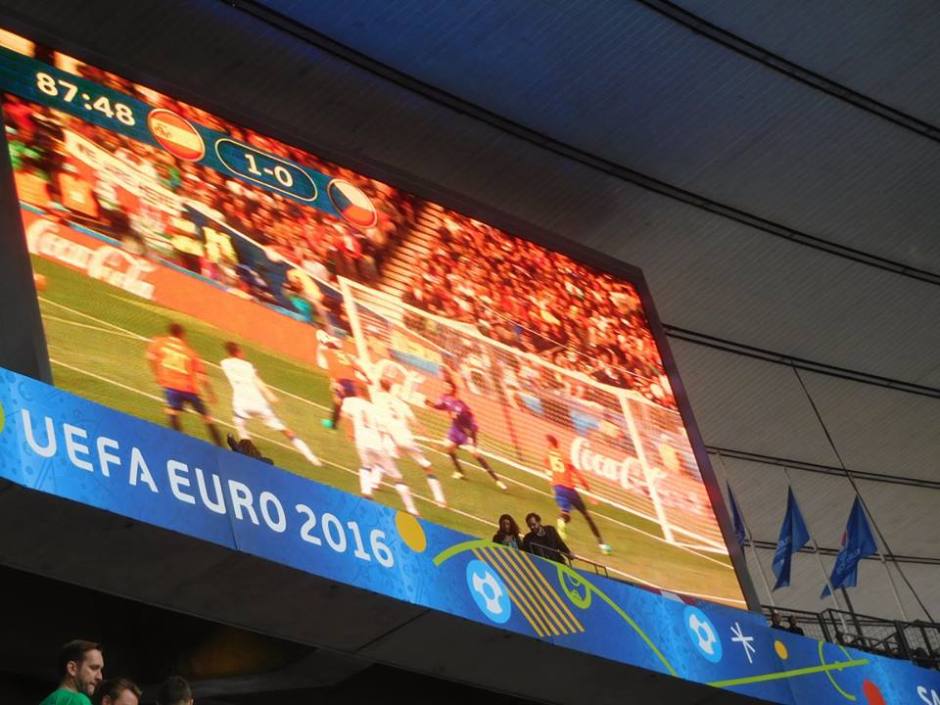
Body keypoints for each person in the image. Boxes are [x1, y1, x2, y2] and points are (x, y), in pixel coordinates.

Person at [220, 342, 321, 466]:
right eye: (241, 351)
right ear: (238, 352)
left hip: (241, 404)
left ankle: (246, 450)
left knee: (240, 425)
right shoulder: (248, 366)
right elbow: (258, 382)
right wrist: (270, 394)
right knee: (286, 431)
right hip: (258, 404)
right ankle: (312, 458)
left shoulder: (224, 364)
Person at [340, 382, 418, 515]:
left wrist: (349, 432)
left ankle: (366, 491)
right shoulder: (375, 409)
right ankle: (412, 509)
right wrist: (394, 443)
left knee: (366, 466)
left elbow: (344, 415)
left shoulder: (351, 402)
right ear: (367, 393)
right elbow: (384, 430)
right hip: (377, 444)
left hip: (361, 442)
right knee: (397, 477)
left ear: (357, 391)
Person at [371, 377, 446, 507]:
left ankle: (374, 482)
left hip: (392, 438)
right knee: (426, 467)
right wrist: (431, 440)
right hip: (406, 439)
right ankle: (440, 499)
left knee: (384, 458)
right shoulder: (402, 404)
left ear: (381, 387)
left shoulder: (377, 399)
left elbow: (377, 420)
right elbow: (416, 424)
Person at [146, 323, 222, 446]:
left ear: (169, 332)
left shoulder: (159, 342)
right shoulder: (190, 353)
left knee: (172, 412)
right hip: (189, 389)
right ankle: (220, 445)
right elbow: (202, 377)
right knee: (206, 417)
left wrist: (157, 375)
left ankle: (178, 443)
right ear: (182, 334)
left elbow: (150, 357)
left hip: (171, 387)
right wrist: (211, 394)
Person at [424, 378, 507, 490]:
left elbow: (472, 422)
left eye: (448, 386)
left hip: (467, 432)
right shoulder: (444, 397)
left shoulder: (461, 405)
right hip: (455, 429)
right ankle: (459, 471)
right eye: (445, 385)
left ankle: (497, 479)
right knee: (448, 446)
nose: (446, 388)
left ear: (453, 388)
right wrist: (430, 403)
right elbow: (441, 406)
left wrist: (471, 437)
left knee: (474, 453)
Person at [544, 434, 612, 556]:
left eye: (547, 443)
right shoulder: (565, 456)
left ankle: (561, 520)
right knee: (587, 516)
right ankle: (602, 545)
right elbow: (578, 475)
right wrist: (590, 492)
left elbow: (548, 471)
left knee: (566, 514)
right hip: (569, 489)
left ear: (551, 444)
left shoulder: (547, 455)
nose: (547, 445)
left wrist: (552, 486)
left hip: (558, 488)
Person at [40, 640, 104, 705]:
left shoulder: (47, 701)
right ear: (72, 668)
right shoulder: (80, 701)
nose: (100, 677)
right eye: (94, 668)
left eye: (100, 670)